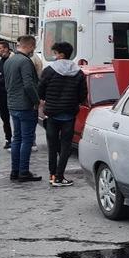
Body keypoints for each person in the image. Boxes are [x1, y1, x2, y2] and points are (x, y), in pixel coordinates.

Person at [38, 41, 88, 187]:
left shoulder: (49, 71)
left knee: (52, 146)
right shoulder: (78, 72)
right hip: (69, 114)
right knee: (66, 147)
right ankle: (60, 176)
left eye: (55, 53)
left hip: (52, 114)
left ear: (60, 54)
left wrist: (47, 99)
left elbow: (40, 90)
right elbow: (82, 94)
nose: (54, 56)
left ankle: (52, 175)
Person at [4, 35, 41, 182]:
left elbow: (7, 84)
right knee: (27, 139)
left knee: (16, 139)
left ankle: (15, 171)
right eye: (34, 48)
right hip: (25, 106)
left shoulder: (9, 60)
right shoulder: (25, 62)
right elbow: (28, 84)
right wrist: (37, 101)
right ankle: (24, 171)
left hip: (13, 105)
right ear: (30, 46)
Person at [0, 40, 13, 149]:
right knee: (5, 119)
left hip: (13, 95)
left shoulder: (14, 60)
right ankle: (8, 139)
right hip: (2, 97)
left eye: (0, 48)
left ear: (6, 49)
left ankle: (19, 139)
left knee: (17, 118)